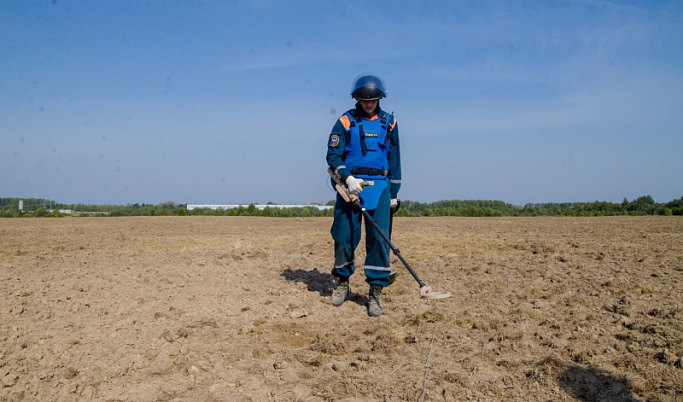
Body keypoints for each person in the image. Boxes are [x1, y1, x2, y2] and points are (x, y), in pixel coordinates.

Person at [326, 74, 401, 317]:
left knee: (379, 240)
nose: (369, 104)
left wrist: (394, 193)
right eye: (364, 100)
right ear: (357, 99)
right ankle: (342, 284)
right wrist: (348, 178)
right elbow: (333, 155)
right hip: (349, 188)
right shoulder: (345, 121)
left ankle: (375, 293)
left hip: (379, 187)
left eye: (373, 100)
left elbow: (395, 160)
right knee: (344, 235)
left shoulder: (390, 122)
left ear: (380, 98)